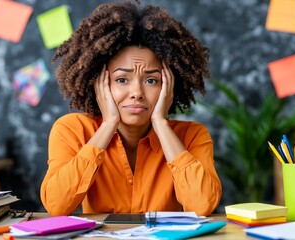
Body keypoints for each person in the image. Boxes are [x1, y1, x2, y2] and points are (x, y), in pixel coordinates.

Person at [40, 0, 222, 216]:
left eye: (151, 81)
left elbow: (202, 206)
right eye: (122, 80)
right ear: (99, 83)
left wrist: (161, 124)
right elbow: (56, 205)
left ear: (169, 86)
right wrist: (108, 125)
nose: (137, 92)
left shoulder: (193, 136)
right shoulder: (71, 130)